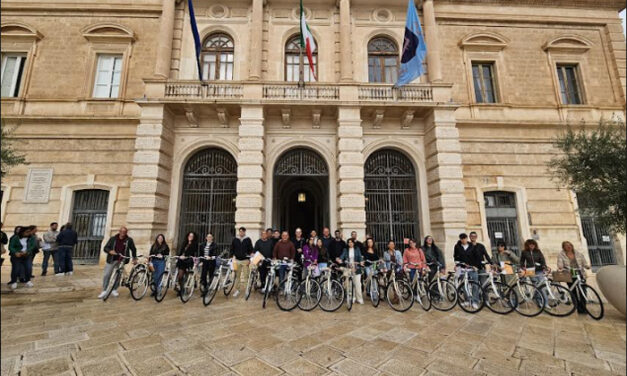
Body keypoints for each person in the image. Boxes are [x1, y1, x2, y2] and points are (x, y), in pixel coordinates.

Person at [98, 226, 138, 298]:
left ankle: (114, 289)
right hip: (112, 259)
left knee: (118, 275)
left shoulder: (129, 240)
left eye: (124, 232)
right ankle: (104, 290)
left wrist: (134, 258)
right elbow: (105, 248)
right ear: (119, 231)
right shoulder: (113, 239)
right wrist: (110, 251)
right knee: (107, 274)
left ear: (126, 233)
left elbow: (133, 249)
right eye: (122, 231)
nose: (123, 233)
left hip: (122, 259)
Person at [556, 241, 590, 313]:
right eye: (566, 245)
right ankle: (578, 308)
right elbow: (560, 263)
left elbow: (584, 262)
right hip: (569, 275)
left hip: (580, 274)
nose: (569, 247)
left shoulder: (578, 253)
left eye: (570, 245)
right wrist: (560, 267)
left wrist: (587, 266)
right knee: (573, 292)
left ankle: (584, 307)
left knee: (583, 291)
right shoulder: (561, 255)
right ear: (563, 247)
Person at [453, 233, 480, 308]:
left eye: (464, 238)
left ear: (467, 238)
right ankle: (467, 300)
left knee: (475, 284)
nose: (463, 240)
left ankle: (475, 301)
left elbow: (477, 257)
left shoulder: (472, 246)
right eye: (462, 238)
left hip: (472, 268)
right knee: (463, 284)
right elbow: (455, 257)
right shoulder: (457, 246)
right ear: (460, 239)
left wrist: (475, 266)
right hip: (461, 268)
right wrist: (456, 265)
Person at [336, 238, 364, 304]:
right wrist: (339, 259)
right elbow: (342, 256)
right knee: (350, 284)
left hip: (356, 268)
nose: (350, 243)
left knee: (357, 284)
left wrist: (361, 262)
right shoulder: (345, 250)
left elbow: (360, 257)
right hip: (348, 268)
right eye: (349, 242)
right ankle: (352, 297)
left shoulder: (357, 249)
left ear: (354, 243)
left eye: (351, 242)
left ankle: (359, 298)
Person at [230, 227, 253, 298]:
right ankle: (237, 290)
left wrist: (250, 258)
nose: (241, 233)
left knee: (246, 276)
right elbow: (232, 249)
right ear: (239, 232)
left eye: (242, 231)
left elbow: (251, 249)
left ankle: (247, 290)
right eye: (240, 231)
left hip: (245, 260)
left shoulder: (248, 239)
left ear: (245, 232)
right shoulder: (235, 239)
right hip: (237, 260)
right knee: (237, 276)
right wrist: (231, 256)